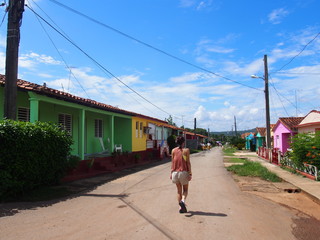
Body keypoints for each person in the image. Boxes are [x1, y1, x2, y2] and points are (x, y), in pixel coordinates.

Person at [170, 136, 192, 213]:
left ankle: (181, 208)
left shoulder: (173, 150)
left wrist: (171, 173)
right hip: (183, 172)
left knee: (179, 191)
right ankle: (182, 201)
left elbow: (172, 162)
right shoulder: (186, 150)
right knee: (185, 190)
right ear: (183, 142)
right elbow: (188, 162)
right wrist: (190, 173)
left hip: (175, 173)